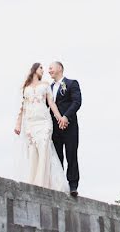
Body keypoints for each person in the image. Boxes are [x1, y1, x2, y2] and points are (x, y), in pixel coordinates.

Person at [14, 62, 69, 193]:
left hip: (44, 122)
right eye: (41, 68)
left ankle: (42, 185)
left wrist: (60, 117)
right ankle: (33, 183)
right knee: (33, 152)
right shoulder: (25, 87)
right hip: (30, 123)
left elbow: (51, 103)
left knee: (44, 149)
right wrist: (18, 124)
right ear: (34, 69)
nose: (43, 71)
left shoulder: (45, 85)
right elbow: (22, 108)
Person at [48, 61, 81, 197]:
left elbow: (77, 102)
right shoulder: (48, 88)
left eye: (51, 68)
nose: (49, 70)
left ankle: (73, 185)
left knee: (71, 154)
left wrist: (66, 117)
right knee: (57, 156)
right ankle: (60, 184)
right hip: (54, 127)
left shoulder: (72, 83)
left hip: (69, 126)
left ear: (59, 68)